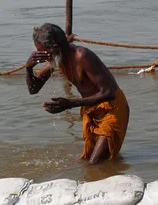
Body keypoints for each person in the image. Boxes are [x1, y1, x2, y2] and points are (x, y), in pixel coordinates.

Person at [26, 23, 130, 165]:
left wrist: (70, 104)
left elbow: (108, 92)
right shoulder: (57, 60)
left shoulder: (81, 56)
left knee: (95, 162)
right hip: (91, 110)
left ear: (55, 48)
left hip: (112, 109)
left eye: (43, 52)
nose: (42, 57)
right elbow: (33, 90)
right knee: (89, 159)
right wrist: (28, 68)